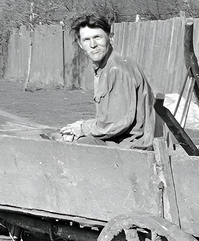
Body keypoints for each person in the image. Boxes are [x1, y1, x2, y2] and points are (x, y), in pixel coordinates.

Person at [58, 14, 156, 149]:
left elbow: (116, 123)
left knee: (73, 147)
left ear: (110, 38)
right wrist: (81, 125)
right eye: (87, 39)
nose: (93, 45)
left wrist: (82, 128)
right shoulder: (105, 67)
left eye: (97, 37)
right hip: (121, 141)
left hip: (132, 147)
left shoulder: (117, 69)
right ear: (81, 44)